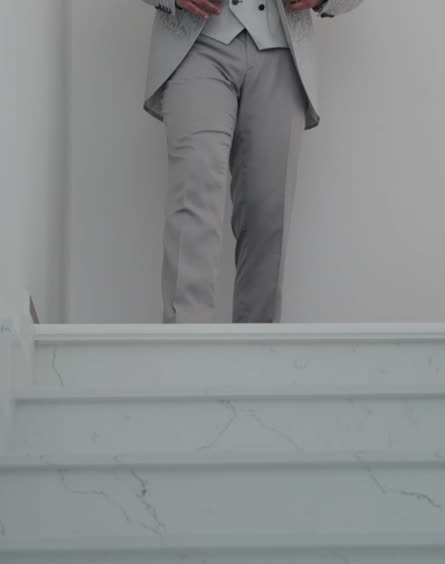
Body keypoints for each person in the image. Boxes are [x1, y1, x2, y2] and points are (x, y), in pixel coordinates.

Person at [140, 0, 364, 323]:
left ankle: (259, 353)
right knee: (194, 201)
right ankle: (186, 350)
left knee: (268, 224)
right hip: (196, 46)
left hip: (282, 50)